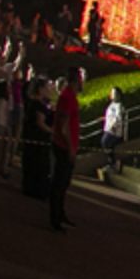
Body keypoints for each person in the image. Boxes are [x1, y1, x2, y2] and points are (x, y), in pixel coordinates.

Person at [49, 67, 82, 232]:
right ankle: (55, 217)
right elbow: (64, 126)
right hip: (63, 145)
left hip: (65, 144)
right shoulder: (67, 97)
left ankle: (59, 213)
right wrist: (70, 148)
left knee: (64, 182)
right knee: (59, 182)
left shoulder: (70, 97)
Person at [20, 77, 52, 199]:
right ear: (40, 89)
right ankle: (36, 190)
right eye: (46, 87)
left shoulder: (33, 102)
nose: (49, 90)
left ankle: (30, 187)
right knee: (37, 164)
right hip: (37, 139)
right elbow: (40, 122)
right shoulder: (37, 105)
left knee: (30, 163)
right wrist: (52, 131)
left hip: (32, 138)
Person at [101, 87, 125, 173]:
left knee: (105, 142)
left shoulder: (119, 106)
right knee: (107, 144)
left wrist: (113, 126)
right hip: (108, 129)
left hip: (114, 131)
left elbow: (118, 118)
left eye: (115, 94)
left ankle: (112, 163)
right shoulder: (111, 105)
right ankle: (111, 163)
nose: (113, 95)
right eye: (112, 93)